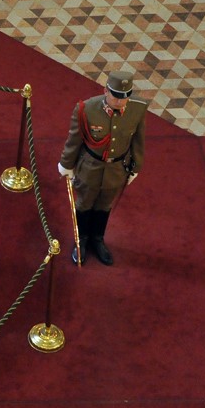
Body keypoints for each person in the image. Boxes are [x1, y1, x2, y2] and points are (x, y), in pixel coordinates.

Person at [58, 70, 147, 266]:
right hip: (90, 167)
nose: (120, 102)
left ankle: (98, 239)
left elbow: (138, 141)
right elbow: (75, 140)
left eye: (124, 98)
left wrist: (135, 167)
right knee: (84, 203)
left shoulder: (138, 109)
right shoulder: (86, 109)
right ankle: (81, 241)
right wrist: (66, 164)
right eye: (115, 96)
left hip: (117, 169)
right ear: (106, 90)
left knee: (104, 205)